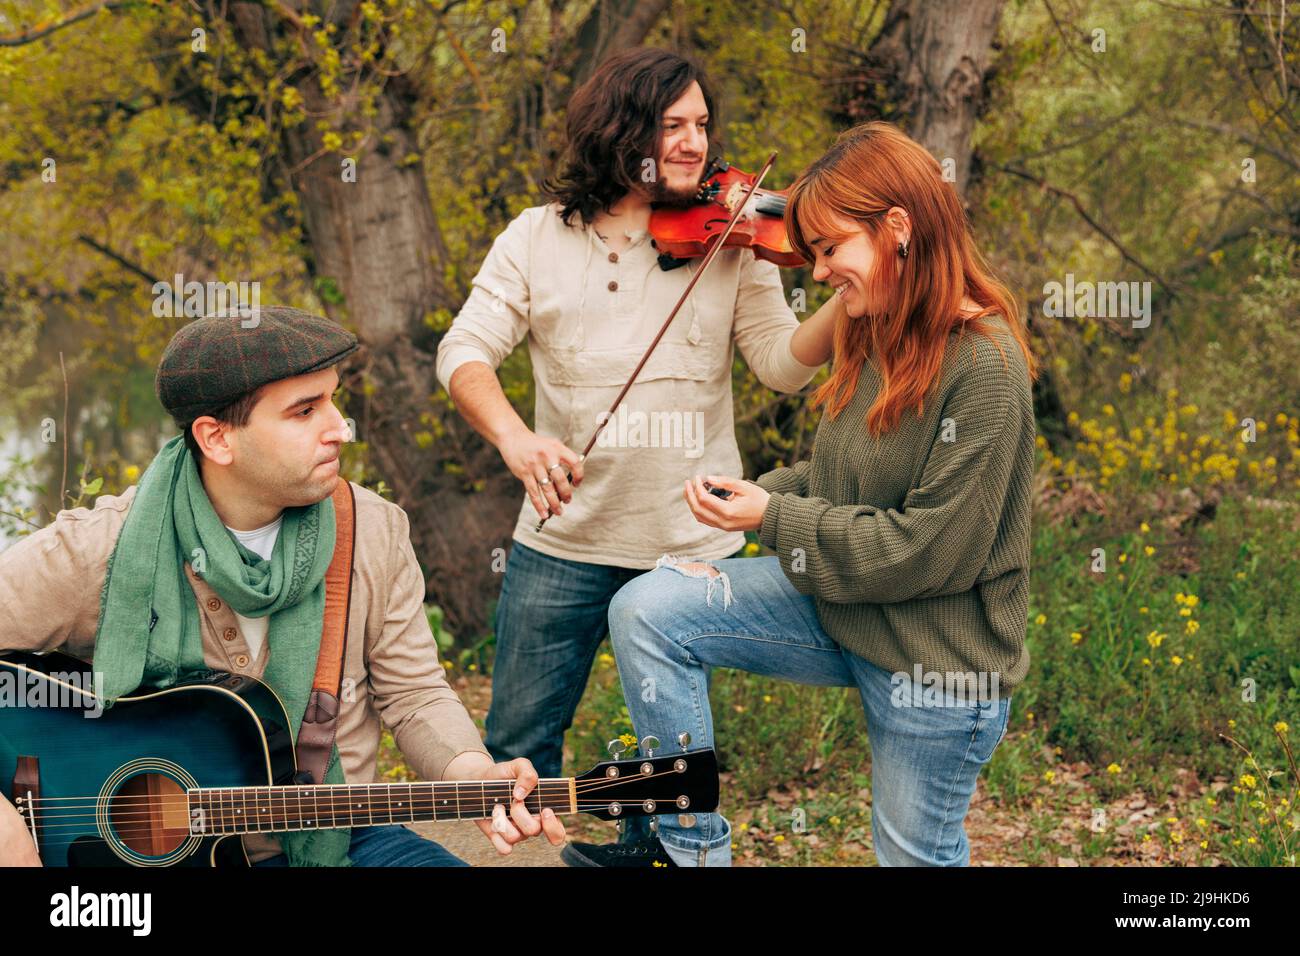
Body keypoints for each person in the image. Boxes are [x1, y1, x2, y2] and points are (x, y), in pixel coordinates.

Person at [568, 121, 1039, 867]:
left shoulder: (985, 365)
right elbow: (838, 482)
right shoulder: (872, 326)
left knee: (914, 856)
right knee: (649, 610)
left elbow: (924, 552)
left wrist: (773, 515)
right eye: (812, 253)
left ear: (898, 229)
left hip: (934, 657)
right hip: (845, 609)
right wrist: (754, 494)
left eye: (830, 251)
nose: (818, 274)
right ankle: (688, 851)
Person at [435, 46, 839, 863]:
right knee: (514, 746)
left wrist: (852, 307)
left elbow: (779, 364)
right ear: (620, 130)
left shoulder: (732, 236)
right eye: (672, 124)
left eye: (701, 125)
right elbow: (463, 350)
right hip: (563, 543)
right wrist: (517, 438)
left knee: (673, 764)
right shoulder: (536, 239)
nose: (695, 141)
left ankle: (655, 852)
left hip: (685, 547)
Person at [0, 306, 564, 866]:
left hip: (339, 837)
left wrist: (475, 773)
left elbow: (413, 694)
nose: (340, 427)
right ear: (217, 439)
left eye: (333, 400)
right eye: (304, 411)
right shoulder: (99, 549)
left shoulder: (371, 530)